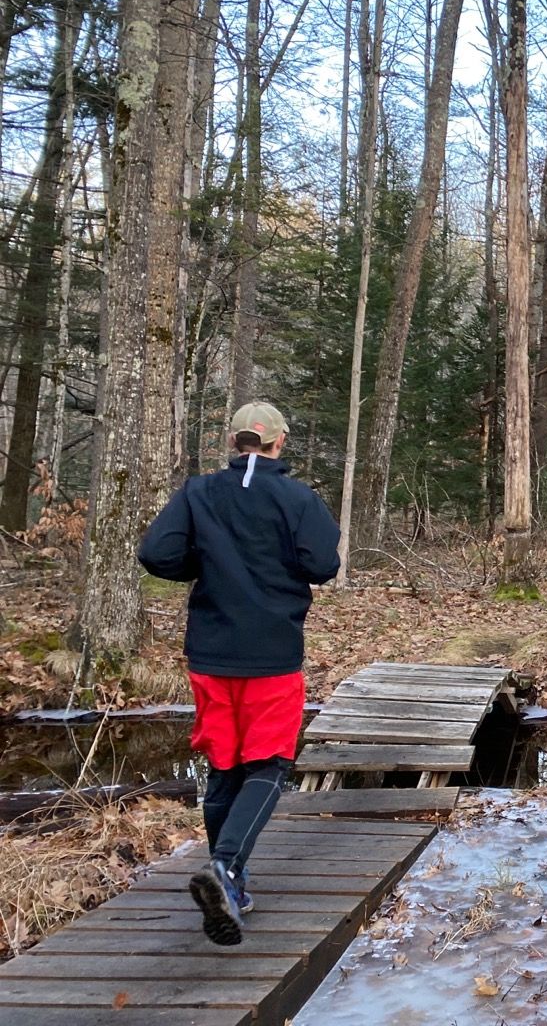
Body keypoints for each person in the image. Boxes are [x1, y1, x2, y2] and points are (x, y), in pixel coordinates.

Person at [138, 402, 340, 946]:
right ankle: (226, 868)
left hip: (210, 652)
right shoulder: (297, 498)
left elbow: (156, 554)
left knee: (225, 766)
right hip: (271, 654)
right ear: (279, 443)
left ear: (235, 442)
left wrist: (204, 565)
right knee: (270, 765)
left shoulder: (198, 493)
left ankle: (234, 883)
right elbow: (323, 564)